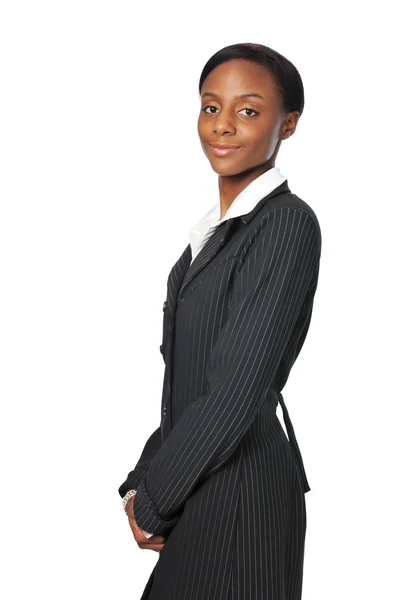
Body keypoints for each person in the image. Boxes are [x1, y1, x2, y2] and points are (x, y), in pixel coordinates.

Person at [118, 42, 322, 600]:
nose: (223, 126)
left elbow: (236, 388)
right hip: (200, 482)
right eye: (211, 107)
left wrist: (156, 500)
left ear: (290, 123)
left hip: (241, 495)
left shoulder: (285, 224)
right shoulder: (209, 238)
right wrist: (141, 483)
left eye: (248, 110)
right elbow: (188, 387)